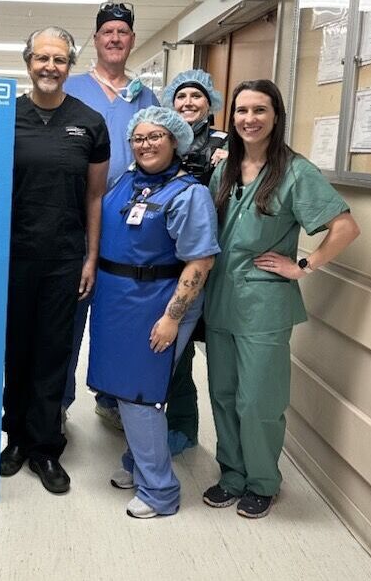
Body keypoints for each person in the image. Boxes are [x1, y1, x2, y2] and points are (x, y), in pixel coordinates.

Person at [203, 79, 360, 519]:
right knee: (222, 392)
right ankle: (231, 474)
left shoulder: (295, 171)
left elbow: (345, 227)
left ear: (276, 117)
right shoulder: (226, 169)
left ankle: (262, 482)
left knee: (258, 401)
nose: (249, 119)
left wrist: (304, 267)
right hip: (221, 299)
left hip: (263, 306)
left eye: (260, 111)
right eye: (241, 111)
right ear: (231, 118)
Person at [0, 27, 109, 494]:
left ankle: (47, 447)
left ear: (70, 66)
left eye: (60, 60)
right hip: (11, 255)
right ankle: (17, 439)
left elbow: (94, 197)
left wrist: (91, 256)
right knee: (15, 350)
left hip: (64, 257)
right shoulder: (6, 115)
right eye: (42, 58)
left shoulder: (89, 122)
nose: (50, 67)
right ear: (28, 61)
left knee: (53, 353)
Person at [87, 106, 219, 518]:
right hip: (115, 300)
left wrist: (172, 318)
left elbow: (199, 263)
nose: (145, 144)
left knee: (141, 396)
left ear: (175, 140)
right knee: (123, 390)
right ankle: (136, 463)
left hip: (157, 303)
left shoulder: (188, 194)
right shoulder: (128, 181)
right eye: (139, 138)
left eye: (156, 136)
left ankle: (160, 492)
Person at [62, 2, 159, 429]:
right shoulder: (72, 88)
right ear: (96, 40)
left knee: (119, 317)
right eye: (108, 32)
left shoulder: (145, 95)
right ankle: (58, 405)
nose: (115, 39)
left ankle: (112, 398)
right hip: (73, 219)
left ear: (132, 40)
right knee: (67, 321)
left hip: (128, 225)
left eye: (123, 32)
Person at [159, 68, 228, 456]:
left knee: (182, 349)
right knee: (165, 346)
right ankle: (150, 418)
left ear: (210, 103)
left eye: (196, 96)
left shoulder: (225, 144)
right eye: (181, 96)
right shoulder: (164, 138)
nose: (188, 102)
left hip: (200, 258)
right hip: (163, 257)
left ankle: (182, 426)